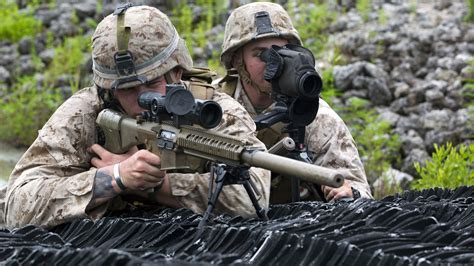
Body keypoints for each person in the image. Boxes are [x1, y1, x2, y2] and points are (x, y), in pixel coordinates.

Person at [1, 5, 270, 229]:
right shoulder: (85, 112)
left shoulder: (215, 111)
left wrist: (156, 185)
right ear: (108, 89)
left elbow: (251, 199)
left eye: (152, 83)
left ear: (176, 72)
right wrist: (114, 178)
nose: (142, 98)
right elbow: (17, 207)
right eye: (127, 89)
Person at [217, 2, 372, 203]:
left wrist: (348, 192)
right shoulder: (212, 105)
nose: (273, 62)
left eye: (281, 52)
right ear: (237, 60)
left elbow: (356, 188)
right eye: (260, 54)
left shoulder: (313, 116)